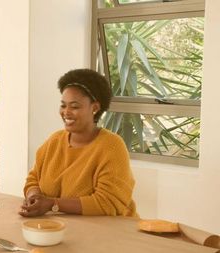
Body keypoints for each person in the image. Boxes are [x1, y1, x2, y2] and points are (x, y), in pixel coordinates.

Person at [19, 69, 137, 217]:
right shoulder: (54, 141)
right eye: (63, 105)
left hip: (109, 232)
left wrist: (52, 204)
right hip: (60, 228)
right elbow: (33, 179)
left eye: (74, 107)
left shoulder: (111, 146)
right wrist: (34, 197)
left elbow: (108, 203)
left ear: (94, 108)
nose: (66, 112)